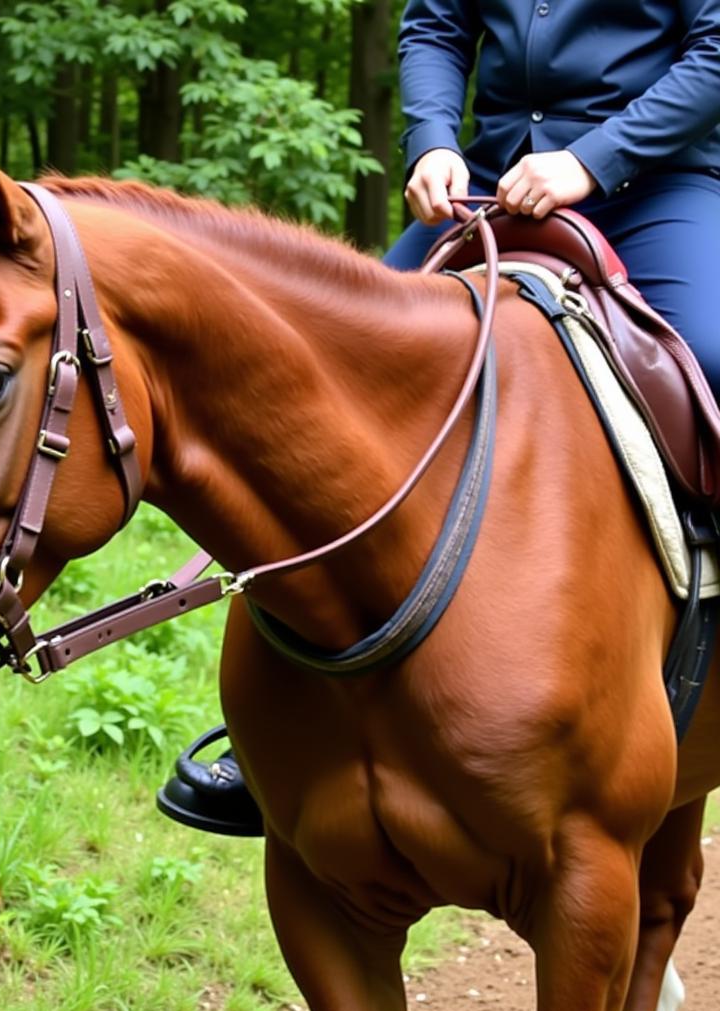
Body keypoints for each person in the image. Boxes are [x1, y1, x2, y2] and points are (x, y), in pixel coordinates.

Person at [158, 0, 720, 836]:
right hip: (490, 190)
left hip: (656, 184)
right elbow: (435, 26)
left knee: (711, 361)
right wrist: (432, 139)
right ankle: (281, 735)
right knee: (322, 378)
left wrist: (593, 161)